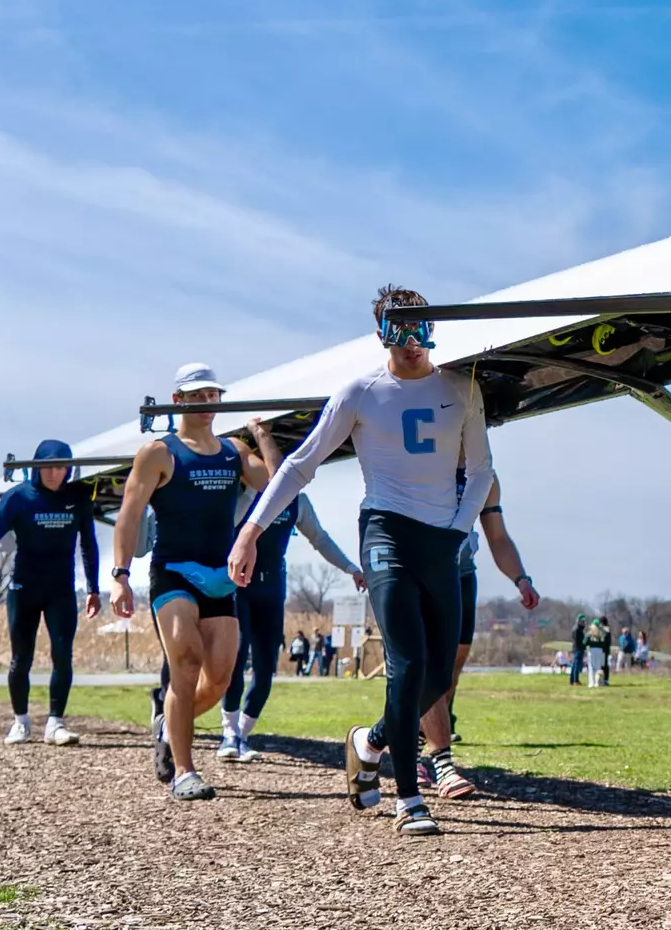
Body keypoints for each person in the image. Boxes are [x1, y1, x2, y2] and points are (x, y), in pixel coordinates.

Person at [228, 285, 492, 837]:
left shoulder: (462, 388)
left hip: (442, 538)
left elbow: (483, 472)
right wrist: (250, 531)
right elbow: (300, 466)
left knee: (438, 674)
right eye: (399, 331)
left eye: (421, 328)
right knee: (408, 662)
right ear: (381, 335)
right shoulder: (360, 392)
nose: (412, 343)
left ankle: (369, 741)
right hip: (385, 532)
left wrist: (458, 531)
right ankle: (409, 798)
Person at [109, 365, 279, 801]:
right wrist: (120, 576)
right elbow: (128, 516)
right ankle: (184, 771)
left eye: (212, 396)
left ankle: (167, 720)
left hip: (221, 576)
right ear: (179, 400)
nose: (206, 404)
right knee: (185, 661)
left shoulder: (233, 451)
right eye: (197, 396)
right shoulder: (158, 453)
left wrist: (262, 438)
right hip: (174, 571)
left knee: (220, 679)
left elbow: (279, 487)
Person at [0, 440, 102, 748]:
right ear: (37, 467)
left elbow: (89, 544)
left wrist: (93, 587)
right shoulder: (18, 497)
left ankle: (56, 723)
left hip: (61, 590)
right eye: (50, 467)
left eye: (62, 467)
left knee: (63, 654)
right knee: (21, 658)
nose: (56, 474)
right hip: (24, 588)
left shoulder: (78, 497)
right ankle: (20, 722)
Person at [217, 488, 363, 764]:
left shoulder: (298, 500)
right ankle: (228, 733)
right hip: (239, 585)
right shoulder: (244, 495)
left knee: (266, 663)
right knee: (235, 657)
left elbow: (320, 538)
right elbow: (222, 528)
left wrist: (350, 568)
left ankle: (243, 735)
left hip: (272, 587)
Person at [418, 470, 540, 799]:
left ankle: (408, 739)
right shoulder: (425, 457)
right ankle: (435, 761)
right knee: (430, 670)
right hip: (423, 571)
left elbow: (498, 537)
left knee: (450, 674)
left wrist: (521, 579)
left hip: (461, 574)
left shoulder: (484, 477)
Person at [569, 614, 588, 686]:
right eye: (583, 621)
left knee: (575, 665)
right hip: (578, 648)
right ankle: (574, 680)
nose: (584, 623)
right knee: (576, 665)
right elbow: (578, 641)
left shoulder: (579, 629)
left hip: (578, 648)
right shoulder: (577, 629)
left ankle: (574, 679)